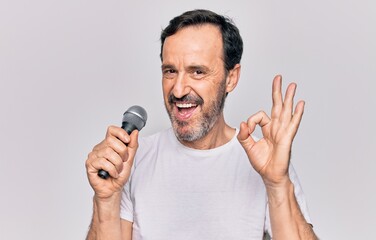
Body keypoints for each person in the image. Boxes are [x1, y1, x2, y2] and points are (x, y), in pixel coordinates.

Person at [85, 9, 318, 240]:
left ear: (231, 78)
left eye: (197, 72)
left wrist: (277, 184)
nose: (178, 89)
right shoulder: (131, 161)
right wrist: (105, 200)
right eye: (170, 71)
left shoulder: (266, 160)